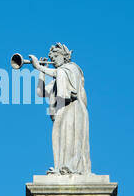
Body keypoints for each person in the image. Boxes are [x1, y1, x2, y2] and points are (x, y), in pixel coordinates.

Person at [29, 43, 91, 175]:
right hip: (62, 112)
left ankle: (70, 167)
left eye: (56, 56)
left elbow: (60, 73)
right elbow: (41, 92)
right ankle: (61, 167)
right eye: (52, 57)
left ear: (64, 57)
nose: (53, 60)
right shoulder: (58, 78)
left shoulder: (71, 69)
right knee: (61, 140)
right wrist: (41, 72)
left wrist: (39, 66)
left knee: (71, 138)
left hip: (73, 110)